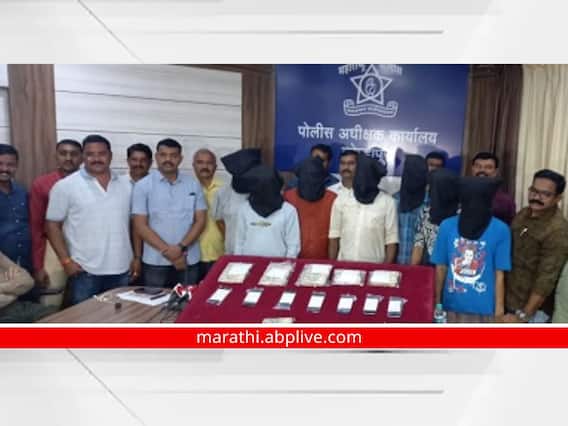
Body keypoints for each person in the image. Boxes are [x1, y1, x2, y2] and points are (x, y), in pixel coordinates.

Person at [46, 135, 136, 305]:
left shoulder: (127, 185)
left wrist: (136, 257)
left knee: (121, 318)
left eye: (101, 153)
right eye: (90, 154)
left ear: (110, 155)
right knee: (85, 319)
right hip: (84, 271)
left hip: (122, 268)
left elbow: (134, 225)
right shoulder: (65, 186)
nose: (96, 159)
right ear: (82, 157)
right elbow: (52, 225)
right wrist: (66, 261)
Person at [431, 177, 511, 323]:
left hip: (485, 310)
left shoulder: (501, 230)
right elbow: (441, 268)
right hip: (451, 306)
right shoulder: (447, 226)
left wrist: (499, 313)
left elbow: (499, 274)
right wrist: (438, 304)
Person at [132, 138, 207, 287]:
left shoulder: (193, 184)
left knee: (187, 300)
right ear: (156, 157)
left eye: (173, 155)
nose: (168, 159)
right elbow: (140, 225)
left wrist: (180, 248)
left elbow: (200, 221)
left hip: (188, 259)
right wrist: (169, 251)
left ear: (180, 158)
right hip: (155, 261)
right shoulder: (142, 186)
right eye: (163, 155)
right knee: (154, 301)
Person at [504, 169, 568, 323]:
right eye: (534, 191)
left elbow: (546, 280)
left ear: (558, 198)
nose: (536, 197)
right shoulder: (523, 214)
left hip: (532, 311)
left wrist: (523, 316)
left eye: (545, 194)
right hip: (509, 299)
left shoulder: (557, 230)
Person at [29, 139, 82, 308]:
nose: (68, 158)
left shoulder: (91, 183)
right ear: (56, 156)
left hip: (84, 244)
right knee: (51, 300)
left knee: (84, 297)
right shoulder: (42, 184)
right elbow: (36, 226)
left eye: (74, 154)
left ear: (81, 157)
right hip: (53, 246)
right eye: (63, 153)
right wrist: (38, 266)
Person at [329, 153, 398, 263]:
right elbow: (334, 236)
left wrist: (385, 269)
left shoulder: (388, 202)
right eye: (360, 175)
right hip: (344, 267)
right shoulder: (341, 200)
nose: (363, 180)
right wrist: (332, 265)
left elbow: (391, 240)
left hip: (375, 267)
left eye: (367, 176)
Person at [234, 165, 300, 258]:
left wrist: (286, 264)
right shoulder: (244, 209)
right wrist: (238, 261)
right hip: (249, 262)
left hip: (278, 264)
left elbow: (293, 245)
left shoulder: (288, 211)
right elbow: (239, 241)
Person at [283, 156, 337, 259]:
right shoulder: (288, 197)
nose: (311, 180)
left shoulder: (333, 199)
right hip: (293, 259)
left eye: (315, 177)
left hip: (324, 260)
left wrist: (332, 263)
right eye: (307, 177)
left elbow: (336, 236)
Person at [214, 148, 261, 254]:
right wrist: (232, 240)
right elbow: (219, 221)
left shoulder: (268, 192)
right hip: (233, 252)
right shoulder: (223, 192)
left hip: (260, 253)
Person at [411, 169, 460, 266]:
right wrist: (413, 270)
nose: (427, 189)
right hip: (429, 267)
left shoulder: (461, 215)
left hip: (452, 268)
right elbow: (418, 244)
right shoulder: (426, 211)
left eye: (432, 186)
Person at [193, 148, 224, 280]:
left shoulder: (225, 189)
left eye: (209, 163)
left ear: (215, 167)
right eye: (200, 162)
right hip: (192, 256)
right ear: (193, 166)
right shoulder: (186, 189)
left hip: (219, 253)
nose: (205, 166)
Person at [0, 144, 32, 274]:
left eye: (10, 165)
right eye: (0, 164)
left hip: (25, 263)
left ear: (17, 166)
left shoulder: (22, 192)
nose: (5, 169)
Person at [0, 250, 55, 322]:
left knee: (58, 315)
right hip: (4, 315)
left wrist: (2, 288)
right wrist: (14, 288)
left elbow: (29, 281)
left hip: (19, 306)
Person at [393, 155, 428, 264]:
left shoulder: (429, 204)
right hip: (393, 267)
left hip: (421, 267)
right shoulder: (394, 201)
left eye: (419, 173)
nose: (415, 177)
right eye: (411, 172)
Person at [471, 151, 516, 225]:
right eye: (478, 166)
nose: (482, 170)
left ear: (495, 172)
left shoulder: (506, 201)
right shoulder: (459, 195)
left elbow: (510, 227)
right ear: (472, 169)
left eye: (488, 167)